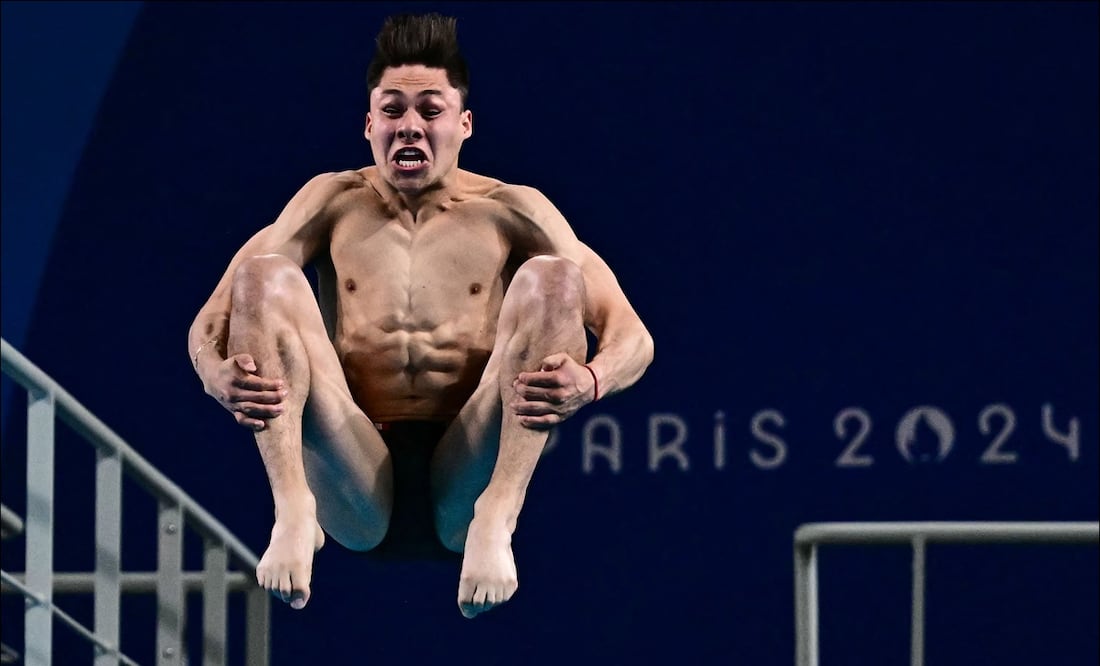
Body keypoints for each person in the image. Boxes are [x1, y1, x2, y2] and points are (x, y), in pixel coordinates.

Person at [187, 12, 653, 619]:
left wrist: (590, 381)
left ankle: (498, 516)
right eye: (393, 110)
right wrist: (215, 375)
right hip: (352, 469)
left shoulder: (512, 209)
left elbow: (633, 337)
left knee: (554, 278)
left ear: (463, 124)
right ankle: (293, 508)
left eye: (430, 111)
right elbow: (210, 323)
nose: (410, 126)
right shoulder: (331, 201)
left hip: (470, 465)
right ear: (369, 124)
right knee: (262, 274)